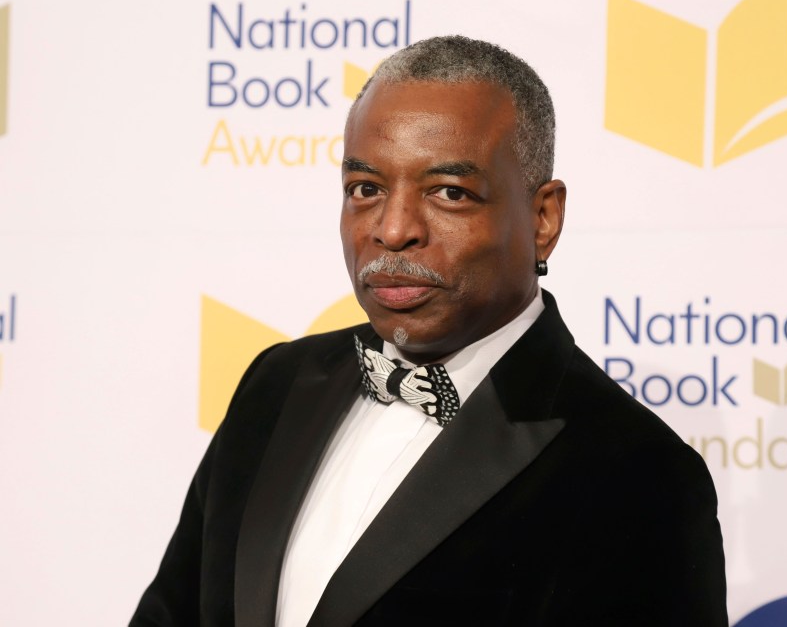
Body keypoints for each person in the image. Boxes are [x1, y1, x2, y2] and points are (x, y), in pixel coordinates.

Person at [131, 36, 727, 626]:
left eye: (449, 193)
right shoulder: (276, 384)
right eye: (366, 189)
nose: (393, 231)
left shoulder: (636, 476)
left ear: (543, 218)